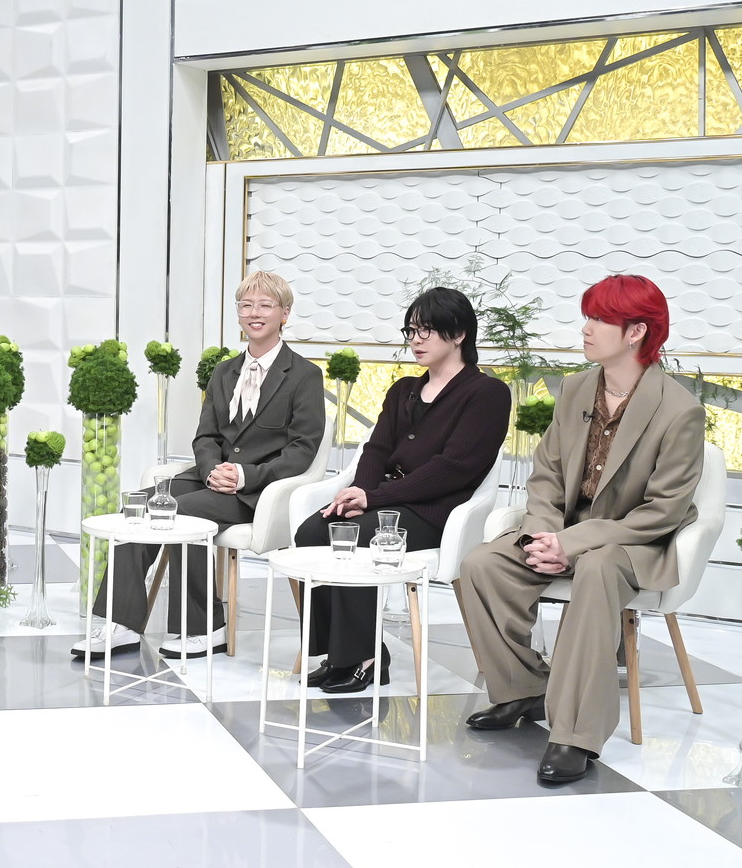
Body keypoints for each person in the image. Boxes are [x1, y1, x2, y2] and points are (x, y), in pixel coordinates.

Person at [460, 274, 704, 783]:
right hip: (564, 530)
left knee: (594, 570)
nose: (586, 328)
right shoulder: (575, 389)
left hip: (630, 543)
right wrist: (543, 536)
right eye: (587, 317)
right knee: (482, 563)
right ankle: (521, 689)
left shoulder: (679, 410)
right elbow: (547, 475)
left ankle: (576, 735)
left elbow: (662, 511)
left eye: (599, 319)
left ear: (636, 332)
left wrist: (571, 544)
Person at [72, 270, 325, 659]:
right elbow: (205, 436)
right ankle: (121, 624)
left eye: (265, 305)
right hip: (210, 479)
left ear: (284, 313)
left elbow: (302, 449)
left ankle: (207, 627)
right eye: (245, 305)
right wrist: (211, 470)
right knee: (137, 505)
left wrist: (244, 475)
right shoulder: (224, 372)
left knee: (181, 513)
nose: (254, 313)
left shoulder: (305, 375)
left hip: (259, 492)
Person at [294, 287, 510, 692]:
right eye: (411, 330)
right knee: (310, 533)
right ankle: (339, 652)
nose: (415, 340)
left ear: (459, 334)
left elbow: (453, 469)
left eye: (426, 330)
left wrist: (374, 498)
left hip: (434, 512)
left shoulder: (487, 394)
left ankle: (366, 658)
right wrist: (357, 494)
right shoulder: (403, 389)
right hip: (386, 502)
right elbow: (376, 450)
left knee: (353, 538)